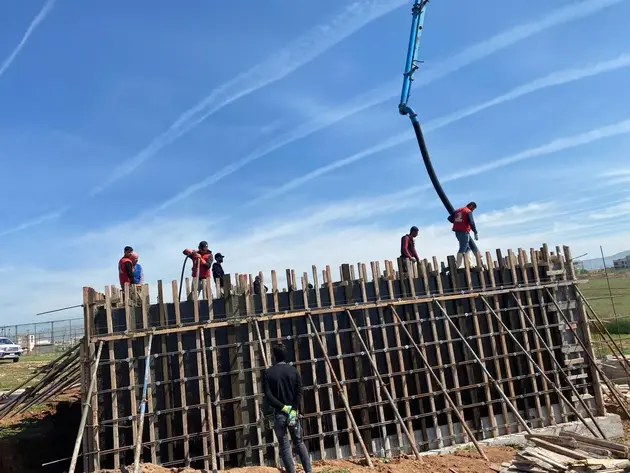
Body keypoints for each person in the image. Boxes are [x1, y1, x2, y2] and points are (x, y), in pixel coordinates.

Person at [262, 344, 311, 473]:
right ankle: (308, 471)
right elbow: (299, 392)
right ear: (286, 355)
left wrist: (283, 407)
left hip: (278, 414)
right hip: (292, 414)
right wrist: (293, 409)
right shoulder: (294, 371)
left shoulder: (268, 373)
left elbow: (268, 395)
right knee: (299, 443)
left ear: (274, 356)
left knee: (284, 446)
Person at [448, 202, 479, 267]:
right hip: (464, 231)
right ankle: (457, 265)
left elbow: (449, 218)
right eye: (473, 209)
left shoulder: (458, 210)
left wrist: (457, 222)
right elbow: (471, 222)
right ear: (471, 206)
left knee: (467, 248)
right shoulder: (468, 211)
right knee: (463, 247)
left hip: (457, 231)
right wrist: (475, 232)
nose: (472, 210)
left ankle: (470, 264)